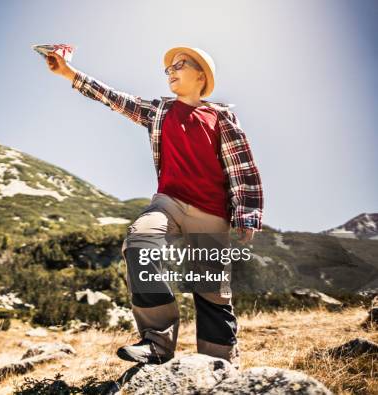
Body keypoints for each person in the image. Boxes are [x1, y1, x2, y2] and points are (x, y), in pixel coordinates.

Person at [45, 47, 263, 368]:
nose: (171, 71)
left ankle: (220, 366)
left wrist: (247, 214)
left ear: (201, 75)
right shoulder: (159, 111)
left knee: (212, 290)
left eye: (179, 65)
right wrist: (69, 73)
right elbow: (114, 98)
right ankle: (156, 342)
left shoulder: (221, 117)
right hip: (168, 203)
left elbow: (241, 167)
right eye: (168, 69)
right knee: (139, 242)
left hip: (211, 212)